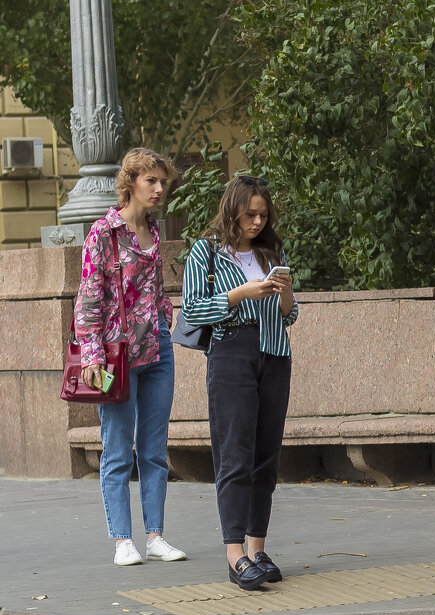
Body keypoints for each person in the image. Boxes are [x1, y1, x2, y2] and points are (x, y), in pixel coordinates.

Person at [181, 175, 298, 590]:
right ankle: (234, 555)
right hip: (231, 353)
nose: (257, 221)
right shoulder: (206, 252)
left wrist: (283, 294)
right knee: (235, 454)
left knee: (266, 455)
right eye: (250, 214)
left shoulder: (272, 251)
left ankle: (257, 548)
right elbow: (193, 310)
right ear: (233, 209)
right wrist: (239, 294)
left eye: (263, 214)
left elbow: (290, 314)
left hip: (274, 354)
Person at [74, 147, 188, 566]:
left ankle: (156, 536)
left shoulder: (155, 231)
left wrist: (165, 318)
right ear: (131, 183)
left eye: (163, 182)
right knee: (118, 449)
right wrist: (92, 355)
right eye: (151, 181)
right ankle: (123, 540)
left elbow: (154, 288)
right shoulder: (103, 232)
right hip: (115, 353)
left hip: (157, 345)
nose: (160, 189)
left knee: (155, 448)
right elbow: (87, 299)